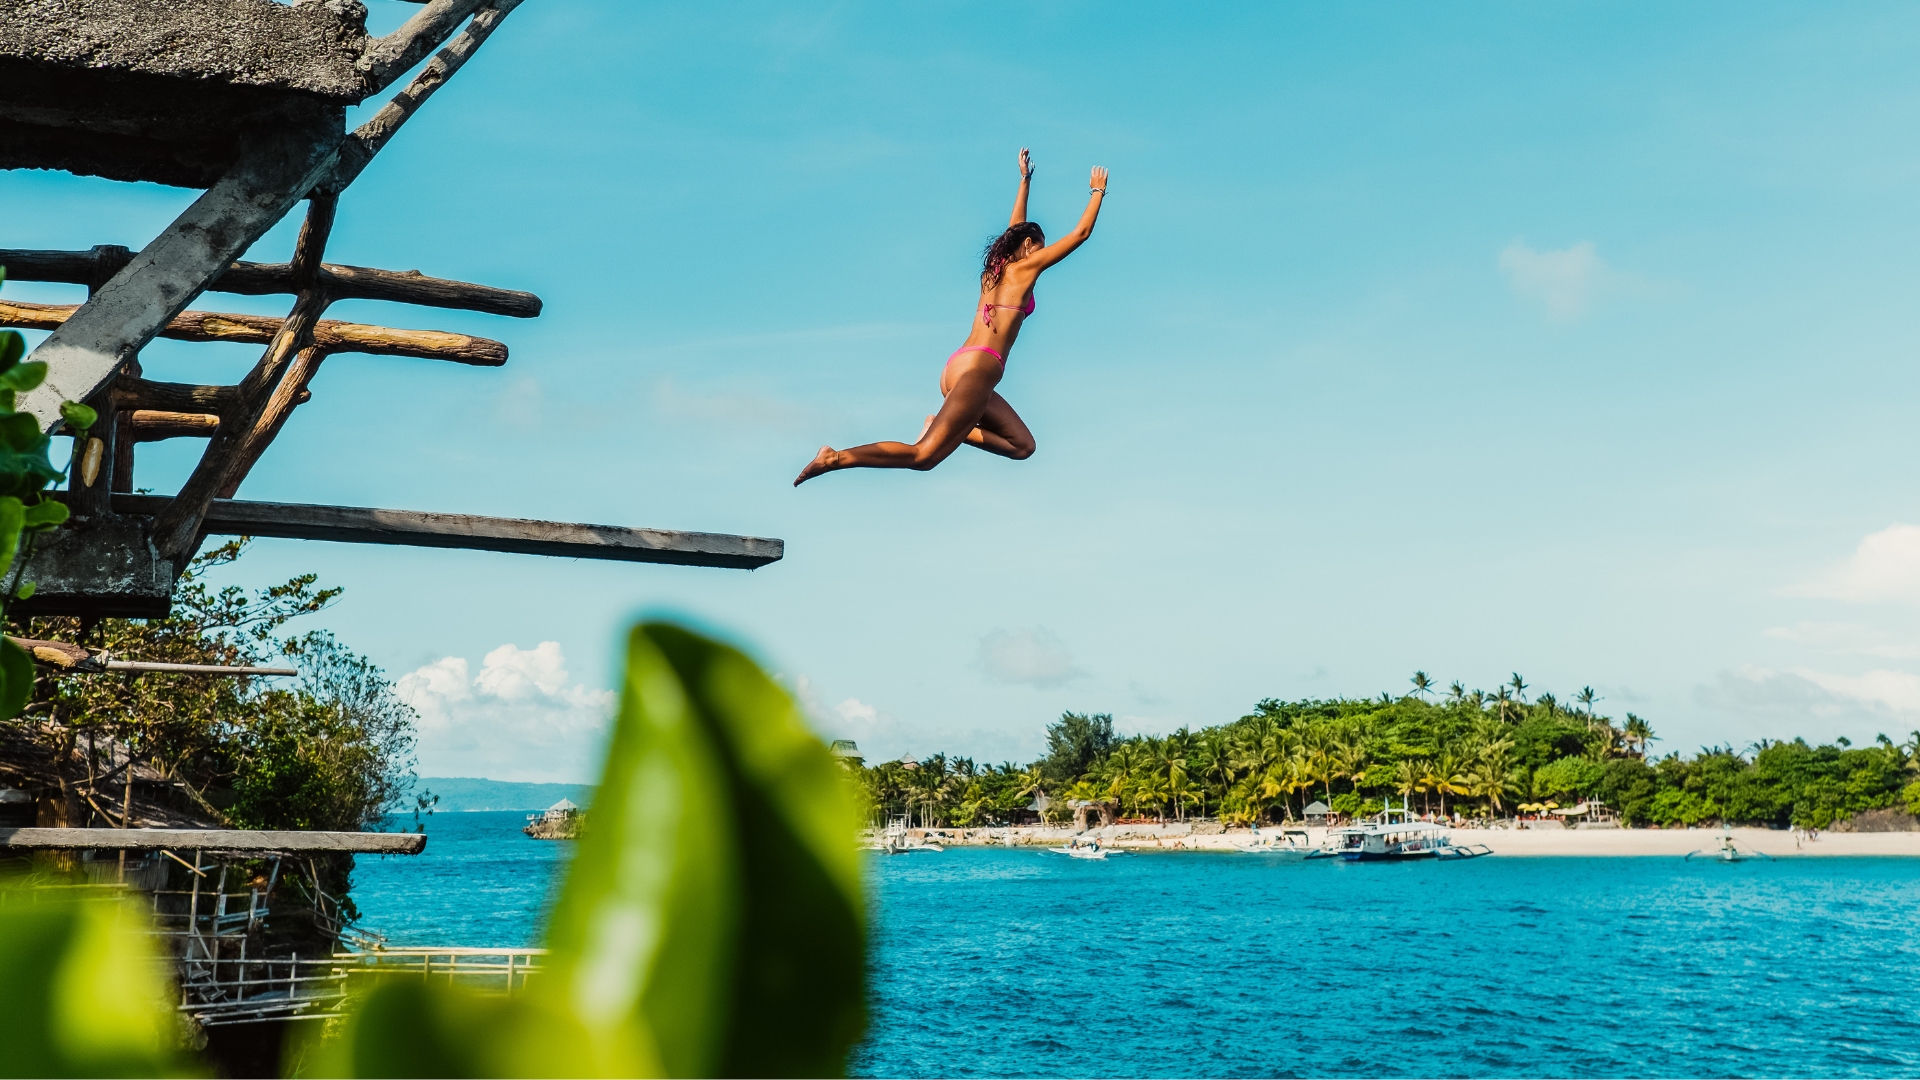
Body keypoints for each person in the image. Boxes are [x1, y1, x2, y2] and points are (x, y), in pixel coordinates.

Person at [794, 148, 1108, 485]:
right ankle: (836, 457)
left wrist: (1024, 181)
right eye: (1041, 246)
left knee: (1023, 446)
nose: (1043, 255)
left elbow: (1014, 228)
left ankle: (941, 424)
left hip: (961, 367)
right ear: (1030, 246)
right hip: (979, 369)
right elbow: (1080, 235)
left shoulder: (996, 272)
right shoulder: (1027, 269)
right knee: (923, 456)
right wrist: (1097, 192)